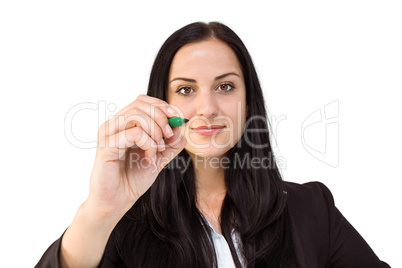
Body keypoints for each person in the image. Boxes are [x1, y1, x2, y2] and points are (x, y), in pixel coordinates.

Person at [36, 21, 389, 268]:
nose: (207, 109)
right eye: (186, 90)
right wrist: (100, 209)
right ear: (162, 103)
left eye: (225, 87)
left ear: (249, 103)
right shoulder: (122, 222)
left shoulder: (311, 209)